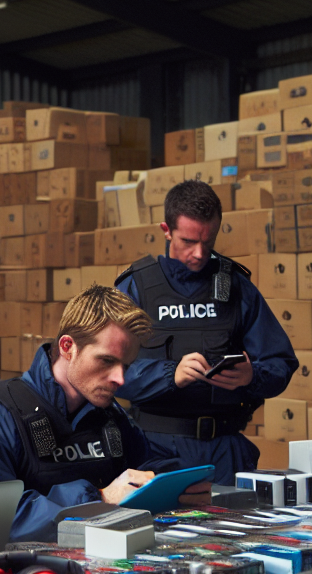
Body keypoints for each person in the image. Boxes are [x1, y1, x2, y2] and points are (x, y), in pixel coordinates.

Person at [0, 285, 202, 542]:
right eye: (106, 361)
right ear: (68, 347)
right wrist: (99, 499)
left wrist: (174, 485)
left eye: (125, 366)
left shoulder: (110, 417)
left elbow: (145, 466)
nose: (120, 378)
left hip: (104, 565)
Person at [114, 180, 298, 484]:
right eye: (188, 241)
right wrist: (169, 374)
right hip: (154, 449)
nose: (199, 253)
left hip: (224, 450)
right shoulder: (136, 288)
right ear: (166, 230)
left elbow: (282, 363)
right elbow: (105, 371)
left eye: (208, 241)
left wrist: (253, 376)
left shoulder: (236, 287)